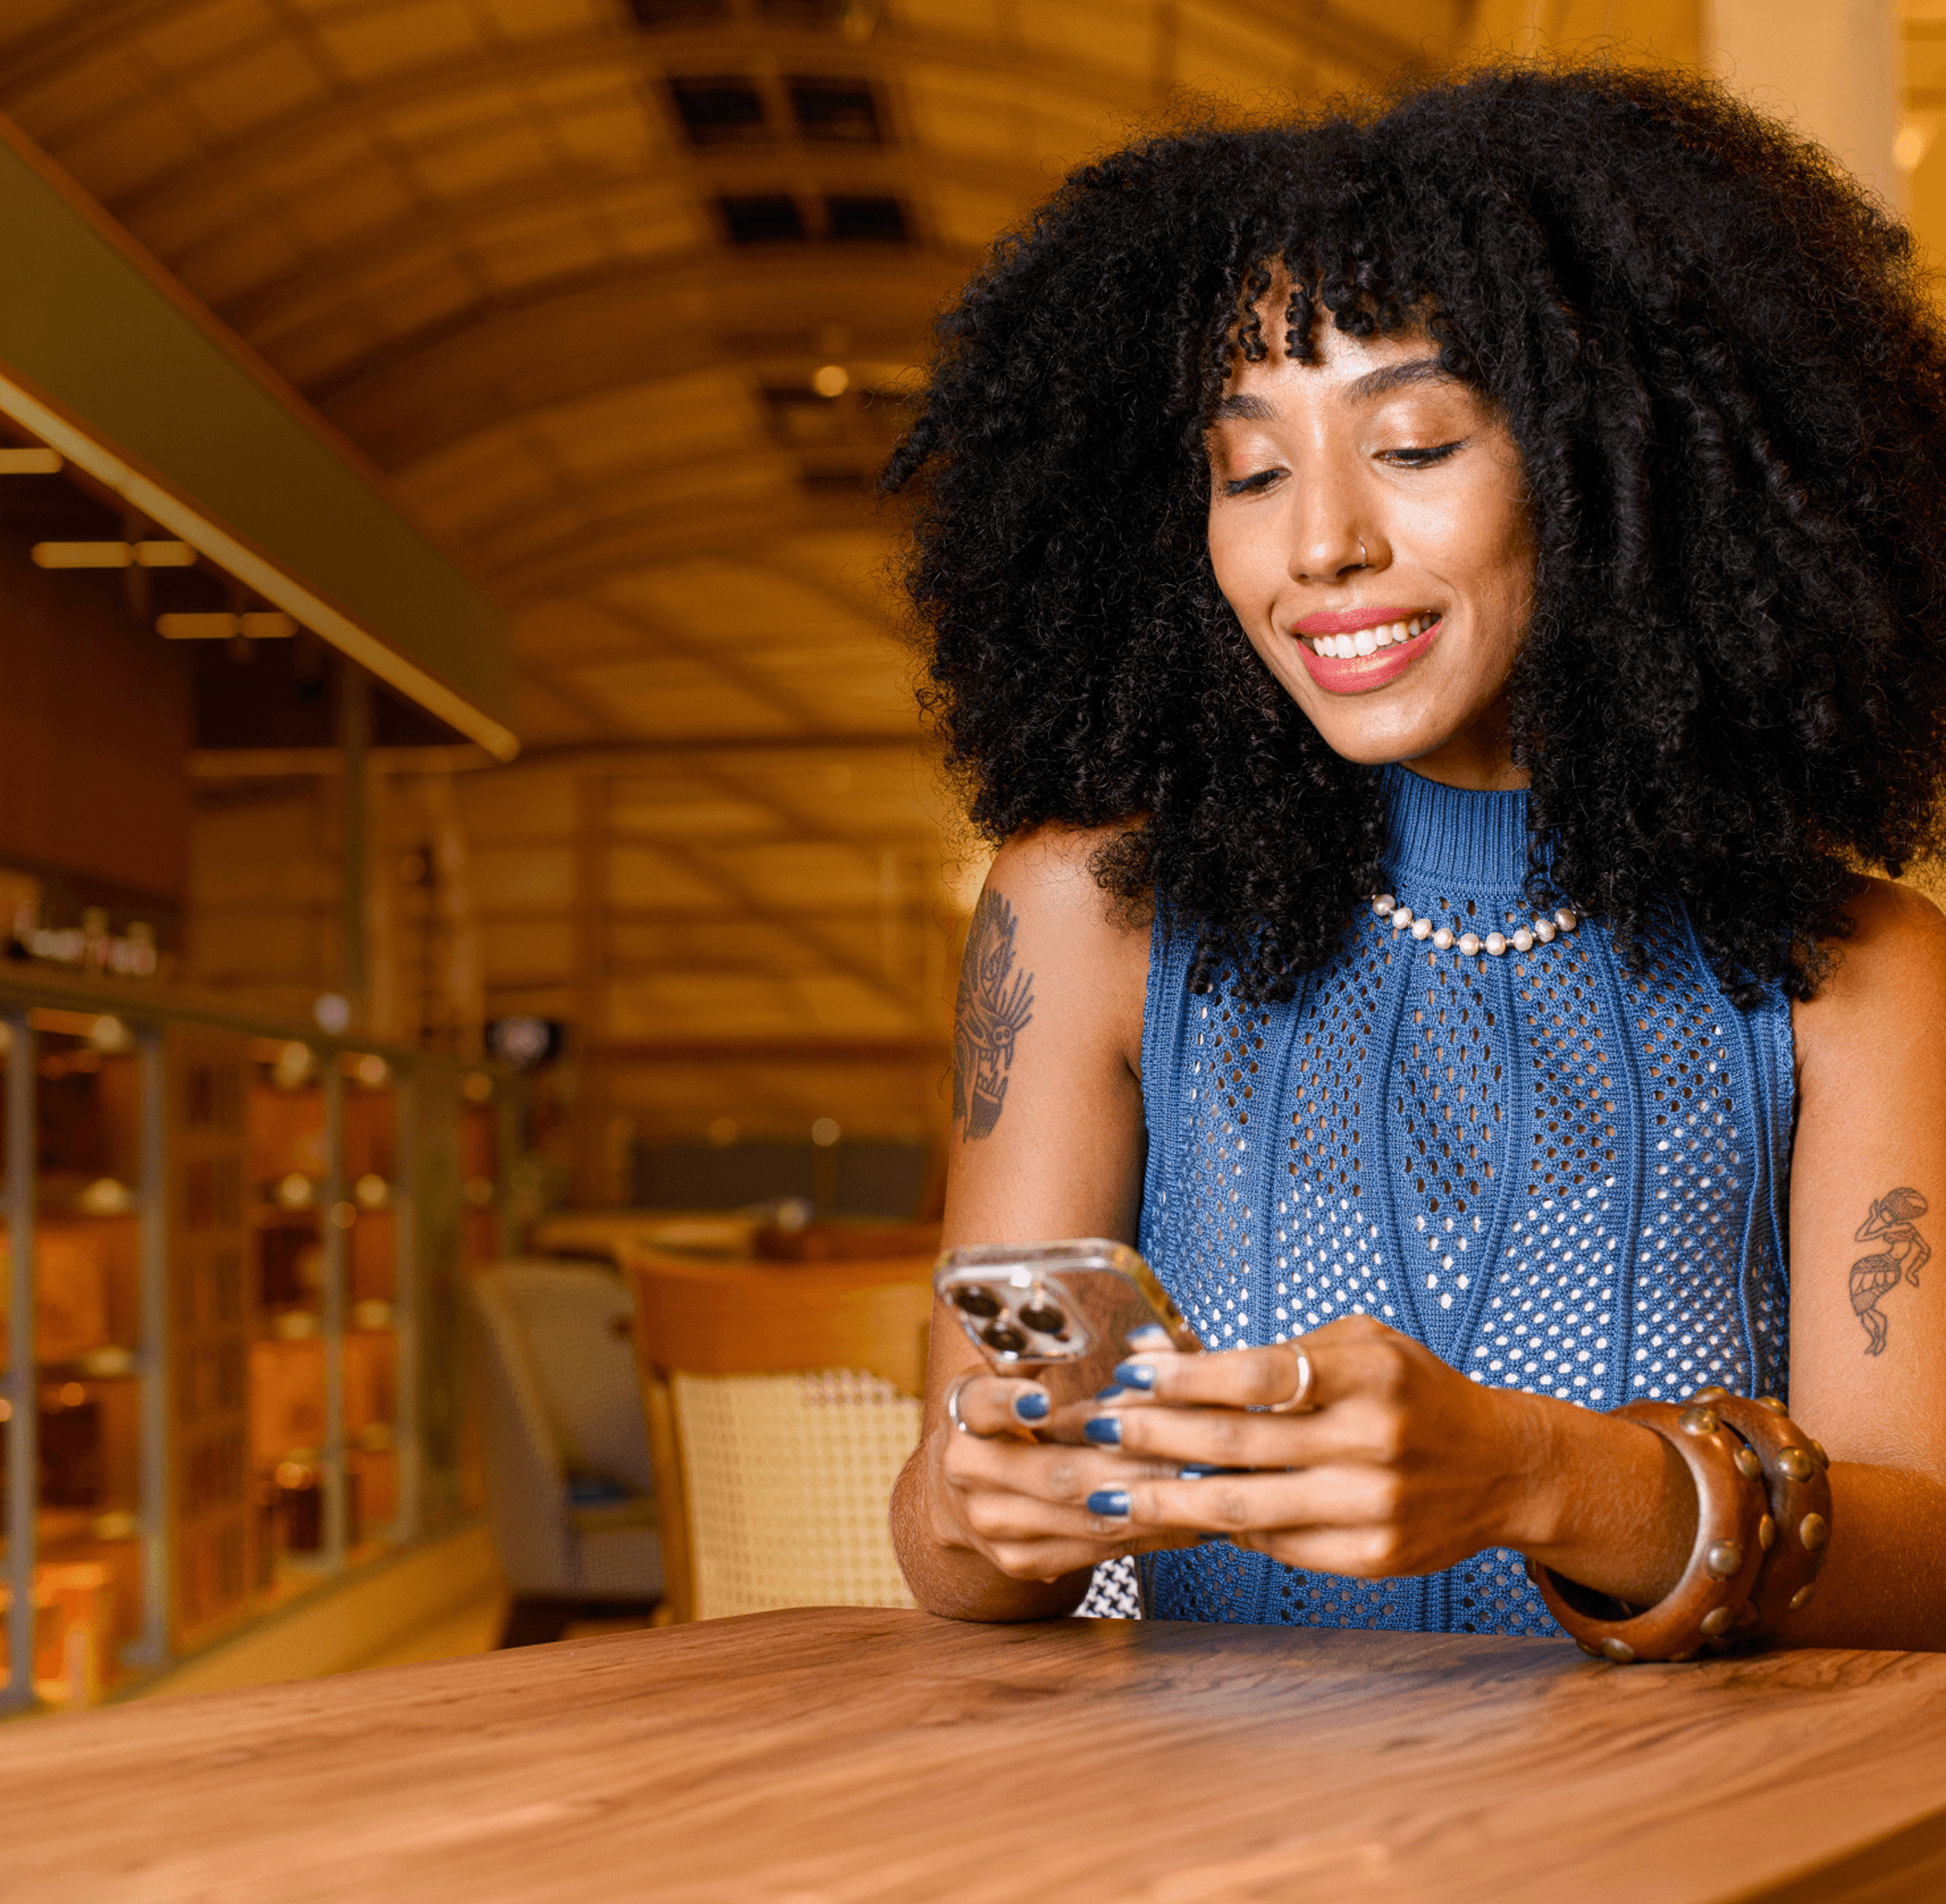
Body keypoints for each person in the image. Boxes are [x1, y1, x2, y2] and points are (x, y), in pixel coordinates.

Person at [883, 64, 1946, 1652]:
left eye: (1416, 443)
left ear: (1614, 469)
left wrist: (1540, 1478)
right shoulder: (1084, 919)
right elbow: (951, 1548)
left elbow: (1925, 1564)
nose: (1318, 543)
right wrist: (994, 1507)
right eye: (1246, 472)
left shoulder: (1859, 975)